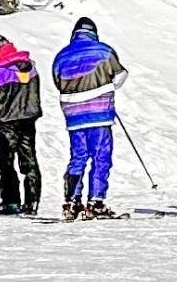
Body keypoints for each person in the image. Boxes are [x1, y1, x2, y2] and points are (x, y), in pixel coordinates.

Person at [53, 14, 125, 216]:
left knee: (78, 156)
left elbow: (58, 82)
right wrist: (108, 86)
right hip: (99, 112)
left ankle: (72, 200)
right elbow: (120, 75)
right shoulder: (103, 50)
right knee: (100, 156)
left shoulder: (61, 56)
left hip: (73, 114)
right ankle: (96, 201)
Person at [0, 36, 44, 215]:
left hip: (7, 122)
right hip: (28, 120)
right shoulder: (31, 67)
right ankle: (32, 203)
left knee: (6, 164)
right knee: (29, 161)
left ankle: (11, 201)